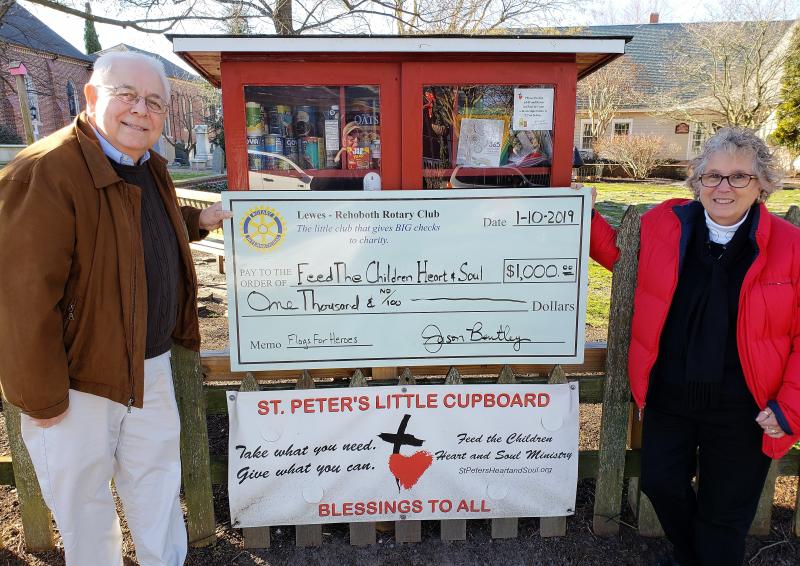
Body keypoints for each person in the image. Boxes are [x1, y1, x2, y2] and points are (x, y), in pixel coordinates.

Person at [0, 51, 230, 565]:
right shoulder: (45, 172)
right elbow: (20, 299)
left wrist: (199, 222)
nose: (140, 110)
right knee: (84, 505)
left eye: (153, 101)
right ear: (91, 96)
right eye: (126, 95)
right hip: (79, 380)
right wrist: (41, 399)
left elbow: (129, 235)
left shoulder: (146, 166)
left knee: (157, 484)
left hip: (148, 365)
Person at [588, 127, 800, 565]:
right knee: (660, 483)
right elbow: (619, 259)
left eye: (738, 177)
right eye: (713, 176)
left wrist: (790, 407)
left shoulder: (790, 246)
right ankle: (694, 555)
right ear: (697, 180)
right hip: (672, 393)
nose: (723, 188)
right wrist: (581, 214)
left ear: (762, 183)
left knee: (725, 513)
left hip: (747, 404)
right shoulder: (666, 225)